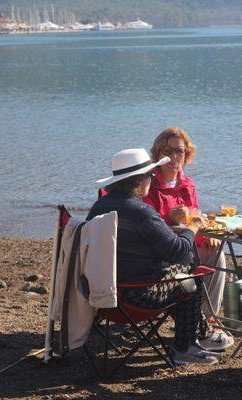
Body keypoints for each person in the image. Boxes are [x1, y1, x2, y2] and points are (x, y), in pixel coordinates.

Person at [87, 148, 219, 365]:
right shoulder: (141, 212)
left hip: (101, 294)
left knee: (180, 273)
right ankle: (185, 348)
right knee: (191, 274)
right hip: (137, 295)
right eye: (151, 174)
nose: (153, 178)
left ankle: (202, 331)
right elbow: (177, 250)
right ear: (140, 180)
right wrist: (192, 228)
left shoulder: (99, 207)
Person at [143, 127, 233, 350]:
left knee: (217, 254)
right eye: (169, 151)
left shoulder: (187, 185)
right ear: (157, 154)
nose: (175, 157)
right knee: (197, 261)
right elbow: (147, 228)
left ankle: (206, 318)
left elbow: (195, 221)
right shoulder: (149, 186)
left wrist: (204, 238)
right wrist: (168, 218)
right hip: (162, 253)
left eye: (180, 152)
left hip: (185, 245)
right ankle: (199, 324)